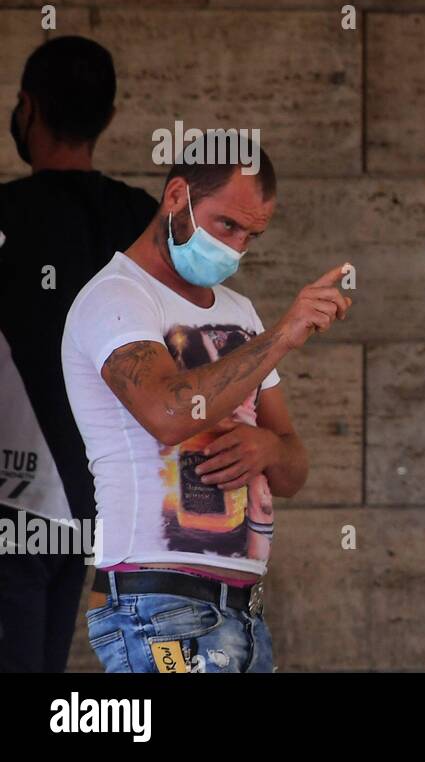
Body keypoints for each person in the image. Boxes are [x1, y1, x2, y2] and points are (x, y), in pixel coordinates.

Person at [61, 136, 353, 673]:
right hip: (156, 603)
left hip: (242, 610)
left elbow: (293, 469)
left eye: (251, 235)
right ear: (177, 195)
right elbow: (169, 415)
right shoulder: (118, 297)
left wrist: (265, 446)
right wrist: (283, 336)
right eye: (227, 226)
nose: (237, 249)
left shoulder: (241, 310)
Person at [0, 36, 158, 672]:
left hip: (15, 502)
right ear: (108, 119)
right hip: (99, 505)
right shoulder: (141, 221)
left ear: (28, 109)